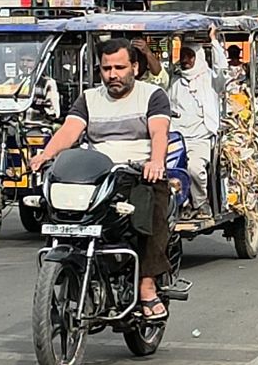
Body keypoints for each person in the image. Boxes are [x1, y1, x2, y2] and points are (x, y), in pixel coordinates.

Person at [30, 38, 172, 319]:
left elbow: (159, 132)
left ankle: (146, 285)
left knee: (151, 207)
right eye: (107, 68)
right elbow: (70, 131)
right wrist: (45, 155)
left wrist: (156, 162)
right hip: (99, 176)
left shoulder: (152, 95)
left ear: (134, 66)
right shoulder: (89, 98)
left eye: (120, 67)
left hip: (138, 174)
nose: (113, 74)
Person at [168, 26, 225, 218]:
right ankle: (180, 205)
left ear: (198, 57)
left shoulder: (210, 79)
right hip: (176, 139)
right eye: (183, 55)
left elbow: (221, 69)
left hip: (200, 138)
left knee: (194, 169)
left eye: (189, 56)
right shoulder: (175, 81)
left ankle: (201, 204)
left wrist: (214, 41)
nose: (185, 60)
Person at [14, 52, 61, 120]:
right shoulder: (15, 80)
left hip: (37, 124)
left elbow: (53, 110)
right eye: (22, 60)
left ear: (37, 62)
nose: (24, 64)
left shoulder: (47, 82)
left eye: (29, 61)